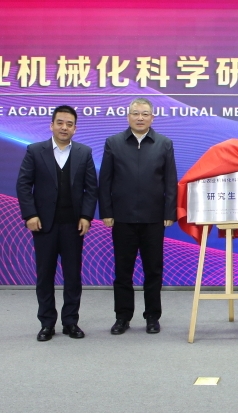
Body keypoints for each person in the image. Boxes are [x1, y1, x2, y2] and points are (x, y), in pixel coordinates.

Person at [16, 105, 98, 342]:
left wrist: (86, 216)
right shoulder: (35, 150)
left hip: (74, 226)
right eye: (60, 123)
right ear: (51, 125)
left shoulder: (84, 152)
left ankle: (71, 322)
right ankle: (47, 323)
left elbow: (91, 188)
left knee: (73, 276)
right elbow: (23, 185)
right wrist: (30, 215)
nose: (64, 128)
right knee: (45, 276)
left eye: (69, 124)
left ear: (75, 128)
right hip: (44, 225)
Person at [99, 98, 178, 335]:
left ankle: (152, 316)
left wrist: (169, 212)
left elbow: (170, 181)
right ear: (128, 117)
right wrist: (106, 211)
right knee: (123, 271)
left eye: (145, 114)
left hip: (154, 218)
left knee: (153, 270)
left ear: (152, 117)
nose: (140, 118)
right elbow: (105, 180)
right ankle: (122, 317)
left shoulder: (164, 143)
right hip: (122, 218)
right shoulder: (114, 142)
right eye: (135, 113)